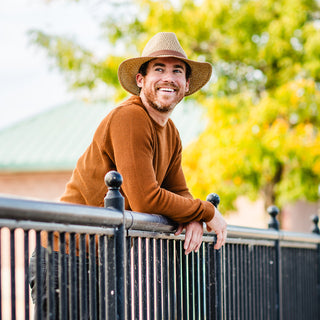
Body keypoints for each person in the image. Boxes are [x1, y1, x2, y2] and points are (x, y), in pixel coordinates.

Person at [59, 31, 227, 253]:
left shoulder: (171, 132)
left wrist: (193, 218)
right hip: (67, 253)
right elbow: (145, 200)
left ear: (186, 85)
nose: (168, 78)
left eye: (177, 71)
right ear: (141, 80)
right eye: (159, 69)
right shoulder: (130, 117)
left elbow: (179, 191)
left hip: (104, 256)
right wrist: (207, 211)